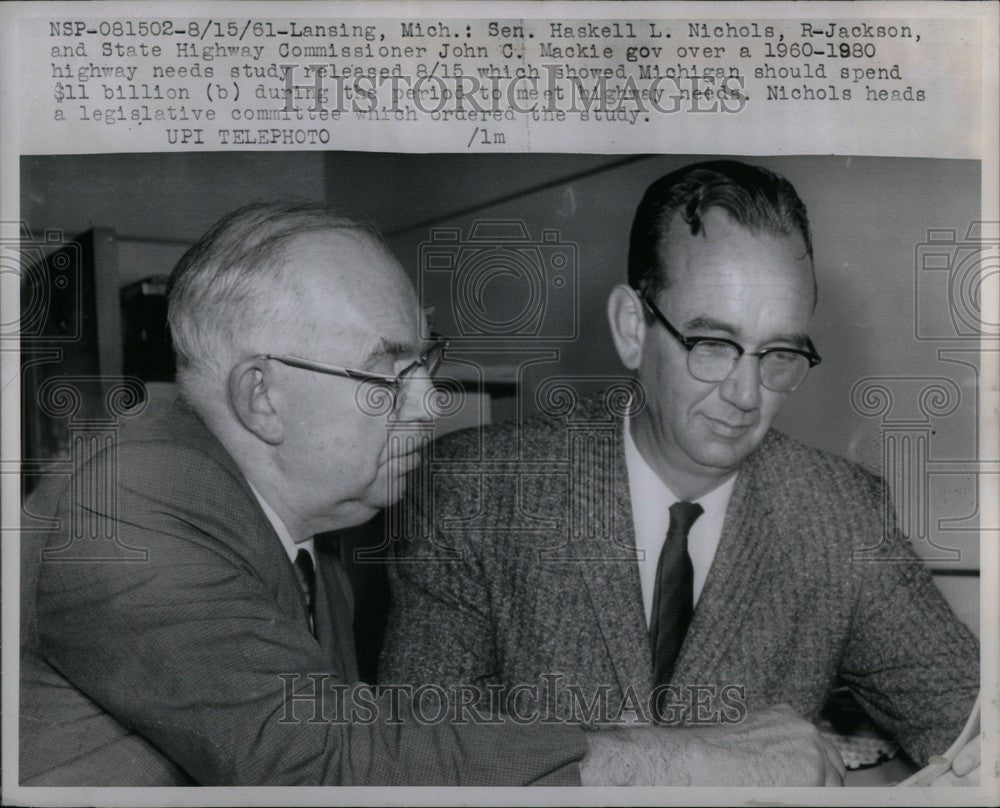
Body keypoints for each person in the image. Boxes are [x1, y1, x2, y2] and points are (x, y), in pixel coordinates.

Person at [19, 202, 846, 787]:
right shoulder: (124, 498)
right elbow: (331, 764)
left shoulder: (314, 531)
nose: (428, 404)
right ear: (260, 395)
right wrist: (700, 761)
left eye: (426, 364)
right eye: (388, 374)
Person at [380, 161, 981, 783]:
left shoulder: (843, 515)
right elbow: (418, 748)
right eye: (712, 345)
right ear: (631, 328)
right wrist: (685, 763)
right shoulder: (473, 490)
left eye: (779, 352)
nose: (747, 394)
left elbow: (972, 720)